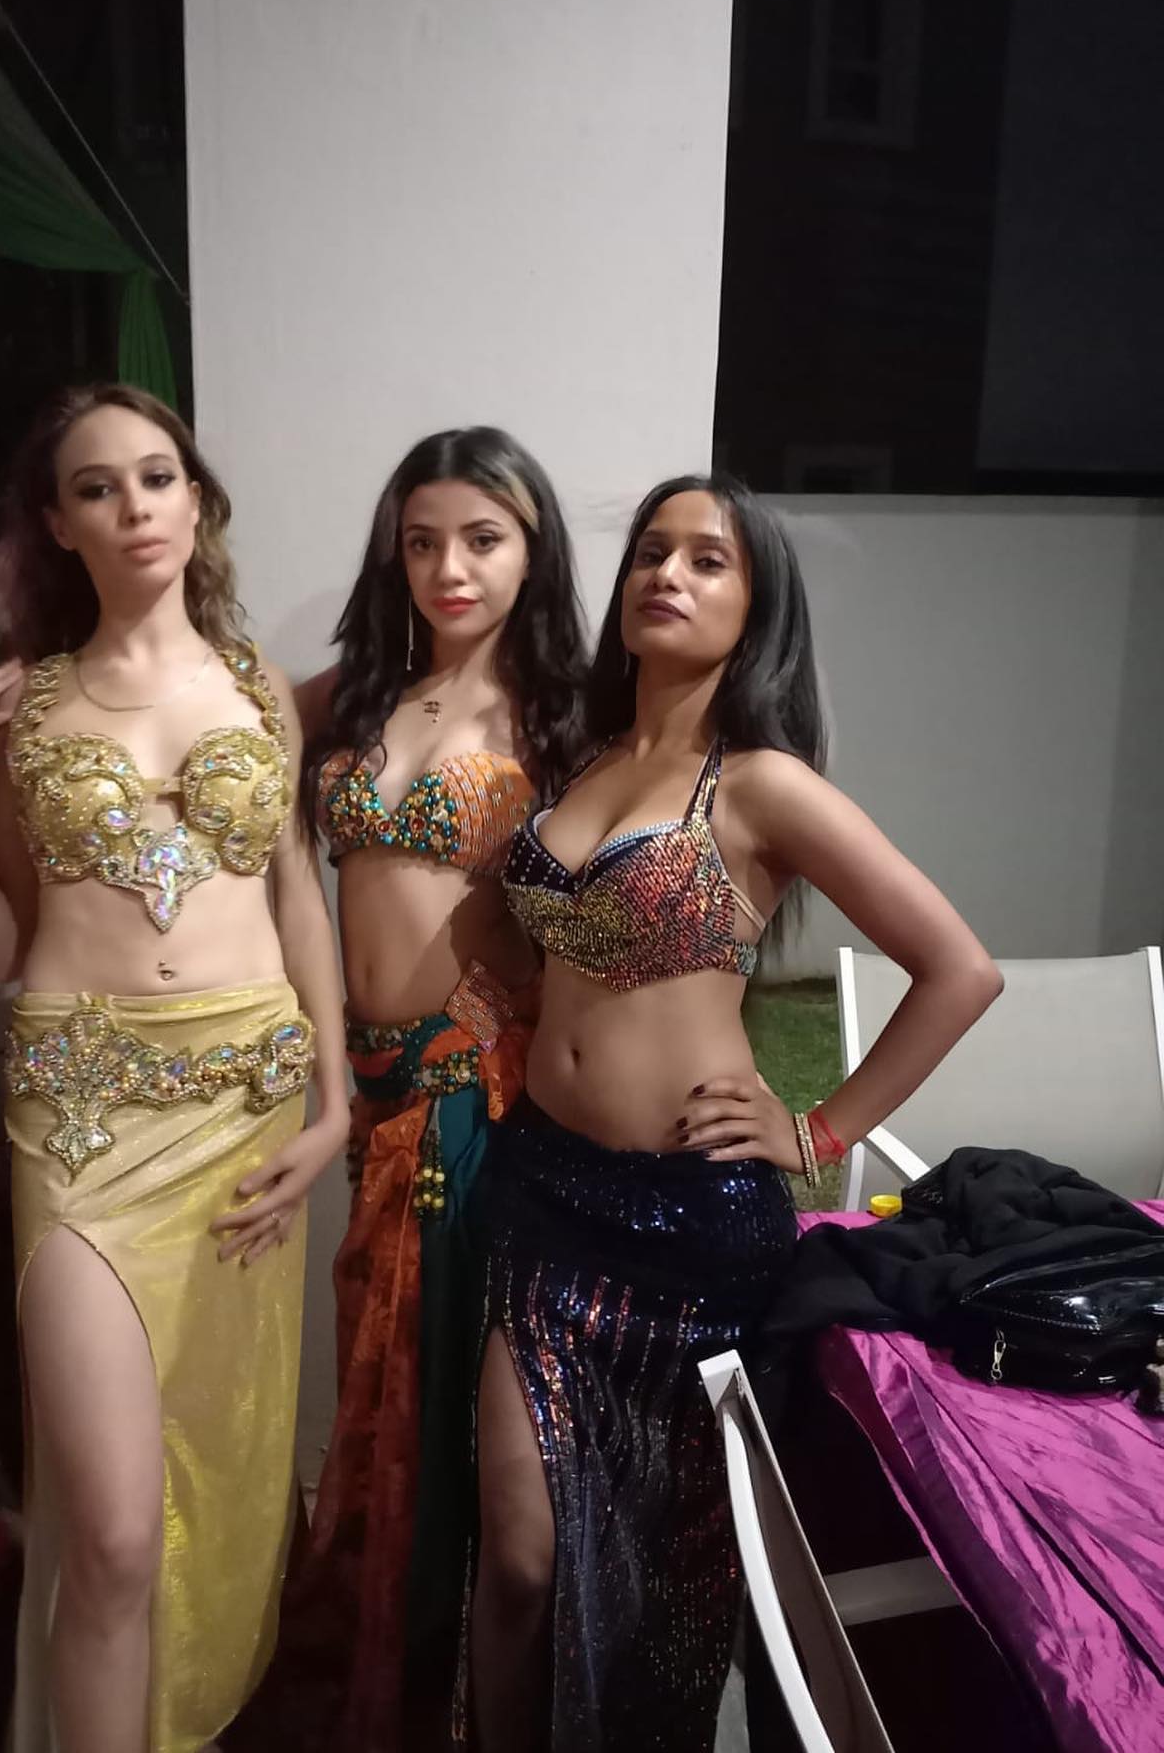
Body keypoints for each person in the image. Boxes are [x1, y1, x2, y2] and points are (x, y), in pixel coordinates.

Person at [469, 475, 1004, 1752]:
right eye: (651, 552)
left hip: (693, 1229)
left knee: (666, 1575)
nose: (667, 573)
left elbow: (961, 970)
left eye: (708, 560)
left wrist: (818, 1132)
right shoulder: (583, 761)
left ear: (757, 608)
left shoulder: (762, 787)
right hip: (542, 1198)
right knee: (520, 1555)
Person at [0, 383, 348, 1753]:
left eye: (157, 476)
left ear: (195, 503)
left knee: (224, 1470)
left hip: (246, 1107)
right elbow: (6, 944)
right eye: (97, 486)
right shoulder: (31, 705)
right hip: (82, 1119)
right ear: (57, 522)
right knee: (110, 1534)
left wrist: (335, 1106)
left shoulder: (260, 690)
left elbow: (299, 897)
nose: (133, 505)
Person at [259, 427, 589, 1751]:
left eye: (483, 539)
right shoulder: (357, 695)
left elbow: (633, 899)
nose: (451, 567)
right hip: (368, 1091)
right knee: (382, 1382)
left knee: (453, 1400)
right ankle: (385, 1674)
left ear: (533, 550)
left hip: (475, 1099)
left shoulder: (567, 716)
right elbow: (230, 730)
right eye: (423, 540)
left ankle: (447, 1705)